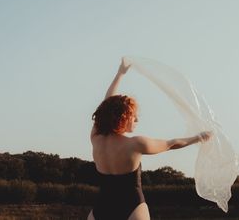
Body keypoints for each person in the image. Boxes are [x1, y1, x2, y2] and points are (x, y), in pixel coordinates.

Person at [87, 58, 213, 220]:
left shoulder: (96, 138)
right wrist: (197, 138)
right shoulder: (136, 144)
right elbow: (171, 144)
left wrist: (120, 74)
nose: (137, 120)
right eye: (134, 117)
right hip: (132, 207)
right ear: (122, 118)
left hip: (101, 209)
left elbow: (106, 105)